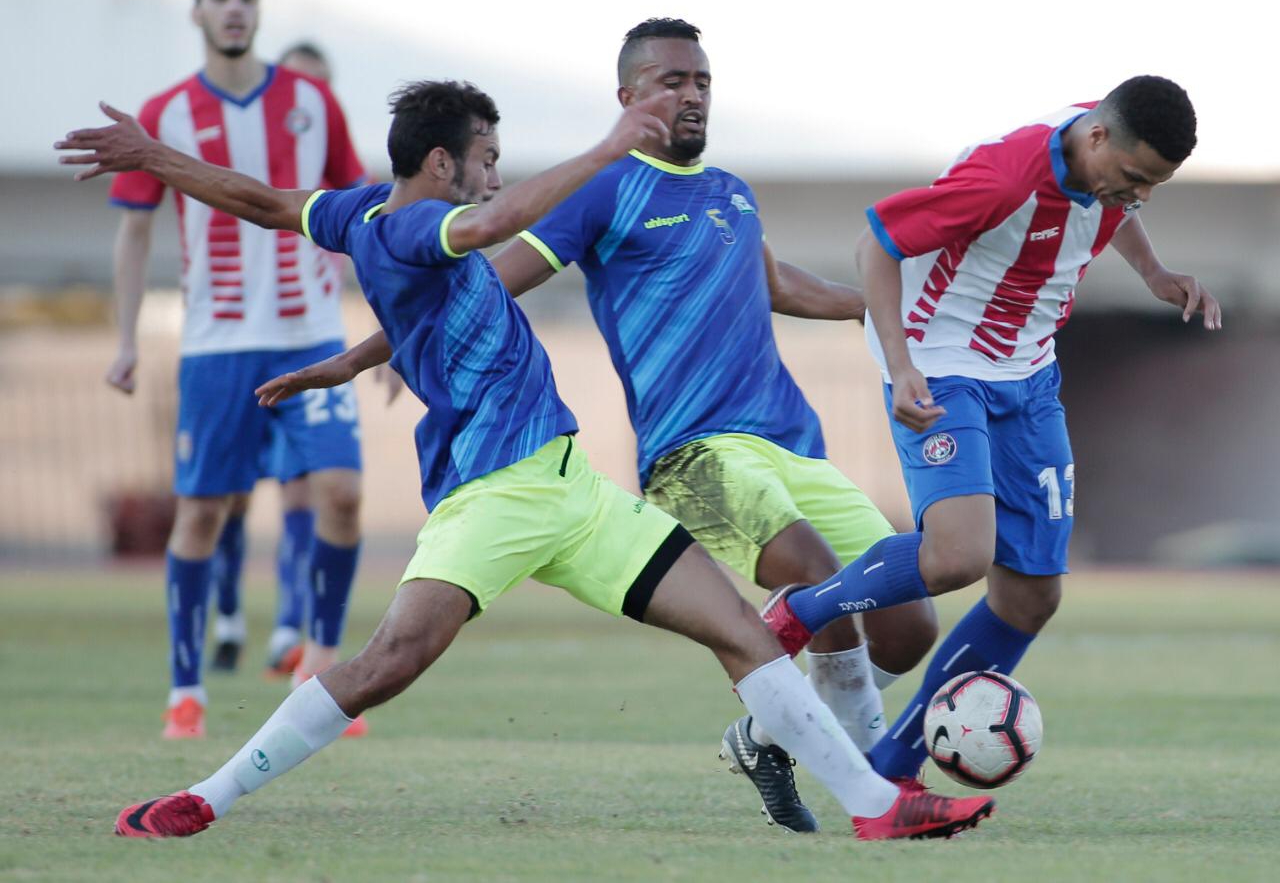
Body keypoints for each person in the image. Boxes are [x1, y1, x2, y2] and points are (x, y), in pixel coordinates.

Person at [57, 80, 994, 842]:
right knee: (389, 661)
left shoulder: (349, 213)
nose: (491, 174)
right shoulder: (409, 227)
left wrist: (156, 158)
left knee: (744, 635)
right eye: (485, 157)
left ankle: (878, 811)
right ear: (441, 163)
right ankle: (205, 798)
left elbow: (262, 201)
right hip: (493, 496)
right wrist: (609, 147)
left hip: (573, 493)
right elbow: (488, 224)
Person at [263, 18, 943, 832]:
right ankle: (881, 788)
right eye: (671, 82)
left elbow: (779, 286)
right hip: (693, 455)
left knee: (906, 629)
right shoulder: (603, 188)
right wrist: (364, 356)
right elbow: (480, 284)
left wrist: (898, 310)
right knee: (814, 578)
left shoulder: (731, 190)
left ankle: (763, 736)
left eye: (701, 82)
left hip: (789, 442)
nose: (690, 95)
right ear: (629, 97)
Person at [754, 76, 1221, 784]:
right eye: (1133, 177)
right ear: (1096, 137)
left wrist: (1152, 271)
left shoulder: (1102, 151)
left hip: (1027, 373)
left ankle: (891, 767)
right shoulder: (1004, 178)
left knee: (1031, 596)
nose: (1140, 195)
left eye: (1155, 183)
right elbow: (875, 244)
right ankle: (800, 613)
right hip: (942, 362)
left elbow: (1113, 205)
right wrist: (902, 362)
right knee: (957, 556)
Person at [103, 0, 367, 738]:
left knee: (343, 496)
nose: (234, 7)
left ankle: (320, 667)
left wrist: (392, 332)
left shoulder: (314, 103)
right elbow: (134, 230)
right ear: (196, 11)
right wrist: (124, 340)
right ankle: (186, 689)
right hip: (217, 348)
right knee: (205, 514)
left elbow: (357, 218)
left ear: (258, 8)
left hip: (313, 334)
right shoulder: (165, 113)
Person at [210, 40, 370, 679]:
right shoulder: (251, 167)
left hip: (312, 345)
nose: (313, 101)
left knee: (316, 489)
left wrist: (380, 344)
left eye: (324, 88)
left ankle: (290, 630)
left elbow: (377, 247)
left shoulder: (338, 183)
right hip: (237, 349)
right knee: (230, 497)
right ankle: (226, 615)